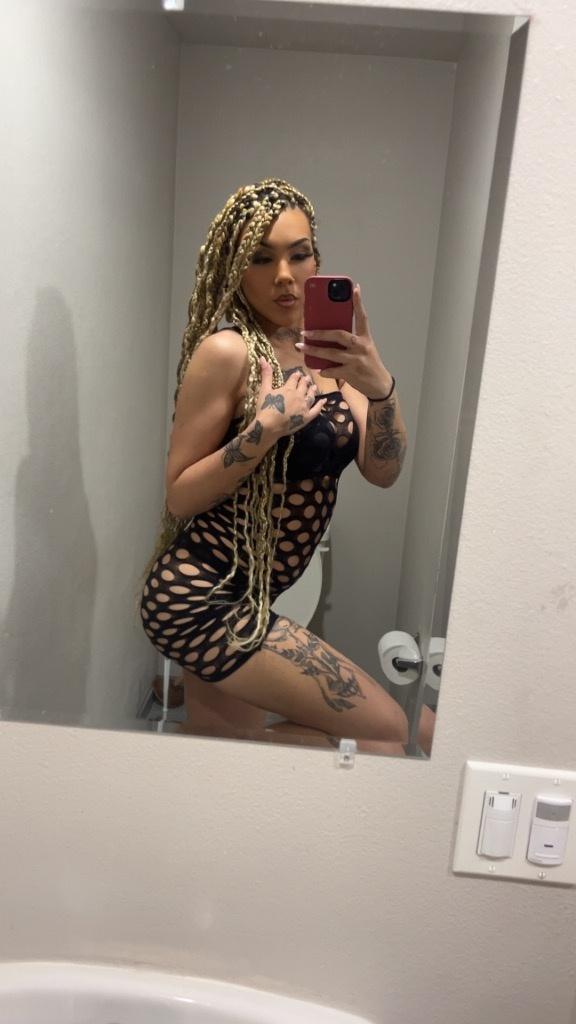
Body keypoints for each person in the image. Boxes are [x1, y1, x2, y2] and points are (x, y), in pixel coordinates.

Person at [140, 178, 434, 755]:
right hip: (198, 595)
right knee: (388, 733)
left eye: (299, 255)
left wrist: (380, 386)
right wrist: (264, 431)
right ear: (235, 268)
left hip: (253, 595)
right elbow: (180, 495)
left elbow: (383, 472)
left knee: (225, 755)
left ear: (316, 260)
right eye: (261, 258)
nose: (283, 275)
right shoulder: (227, 353)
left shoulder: (335, 356)